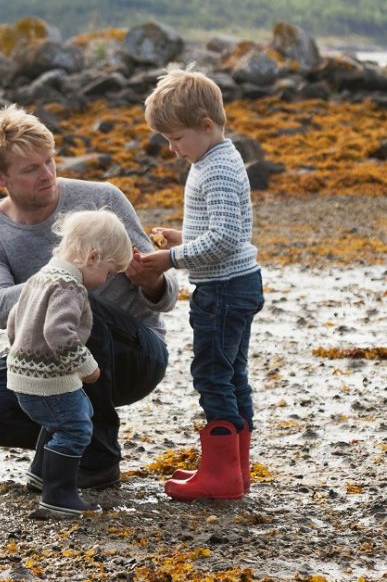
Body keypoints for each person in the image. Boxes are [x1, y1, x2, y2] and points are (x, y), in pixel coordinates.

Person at [0, 104, 178, 494]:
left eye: (49, 161)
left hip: (136, 354)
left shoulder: (102, 200)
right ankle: (67, 445)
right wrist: (66, 270)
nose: (47, 175)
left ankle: (99, 460)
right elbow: (0, 308)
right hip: (49, 355)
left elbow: (165, 299)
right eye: (31, 169)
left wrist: (151, 280)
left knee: (77, 303)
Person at [130, 67, 263, 501]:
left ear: (206, 126)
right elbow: (228, 231)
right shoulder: (218, 158)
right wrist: (183, 239)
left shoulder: (215, 169)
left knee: (212, 376)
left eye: (176, 138)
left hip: (224, 291)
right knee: (232, 374)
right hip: (237, 283)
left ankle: (222, 476)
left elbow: (224, 240)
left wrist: (168, 259)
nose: (171, 149)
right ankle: (234, 469)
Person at [7, 209, 133, 518]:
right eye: (110, 272)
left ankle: (41, 473)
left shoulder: (41, 277)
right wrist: (86, 366)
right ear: (93, 257)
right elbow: (58, 332)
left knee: (69, 417)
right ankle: (59, 495)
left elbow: (13, 320)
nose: (107, 281)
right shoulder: (69, 286)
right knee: (76, 428)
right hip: (48, 379)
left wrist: (19, 352)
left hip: (23, 375)